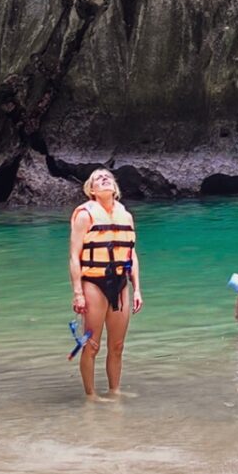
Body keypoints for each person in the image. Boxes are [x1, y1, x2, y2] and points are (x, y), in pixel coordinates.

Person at [69, 168, 143, 398]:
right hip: (93, 282)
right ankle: (91, 395)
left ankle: (115, 391)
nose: (104, 179)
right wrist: (78, 292)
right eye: (98, 178)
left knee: (117, 345)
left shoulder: (126, 216)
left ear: (115, 187)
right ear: (91, 190)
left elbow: (131, 254)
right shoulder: (85, 215)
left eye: (108, 177)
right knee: (92, 345)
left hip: (121, 282)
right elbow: (74, 255)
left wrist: (137, 288)